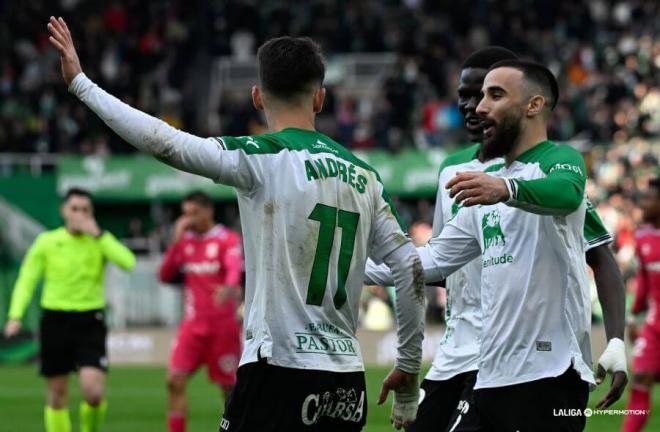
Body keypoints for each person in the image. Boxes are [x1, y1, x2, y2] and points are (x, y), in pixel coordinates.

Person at [46, 16, 425, 431]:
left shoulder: (261, 157)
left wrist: (81, 84)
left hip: (278, 367)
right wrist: (407, 370)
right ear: (320, 98)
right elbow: (409, 268)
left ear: (257, 97)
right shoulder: (366, 176)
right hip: (347, 381)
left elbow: (165, 143)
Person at [366, 60, 627, 431]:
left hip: (547, 375)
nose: (480, 107)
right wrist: (346, 267)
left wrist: (506, 190)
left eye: (495, 95)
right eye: (480, 96)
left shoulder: (558, 161)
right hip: (491, 374)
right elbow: (431, 260)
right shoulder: (486, 184)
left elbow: (567, 196)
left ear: (533, 106)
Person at [3, 188, 136, 432]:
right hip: (55, 319)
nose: (79, 214)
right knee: (56, 395)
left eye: (85, 210)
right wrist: (15, 315)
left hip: (90, 320)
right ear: (64, 211)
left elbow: (128, 262)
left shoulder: (99, 240)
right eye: (74, 209)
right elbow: (27, 279)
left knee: (93, 393)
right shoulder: (47, 241)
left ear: (92, 213)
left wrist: (98, 233)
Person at [159, 191, 244, 432]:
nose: (189, 219)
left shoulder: (227, 239)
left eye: (194, 213)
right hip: (192, 328)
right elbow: (164, 275)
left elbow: (233, 269)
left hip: (222, 328)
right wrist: (175, 242)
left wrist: (229, 288)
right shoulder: (184, 242)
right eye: (185, 214)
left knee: (230, 391)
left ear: (209, 211)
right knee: (174, 381)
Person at [624, 178, 660, 432]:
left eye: (648, 199)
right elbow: (644, 286)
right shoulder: (643, 236)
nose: (642, 203)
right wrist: (632, 319)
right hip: (653, 326)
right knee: (639, 379)